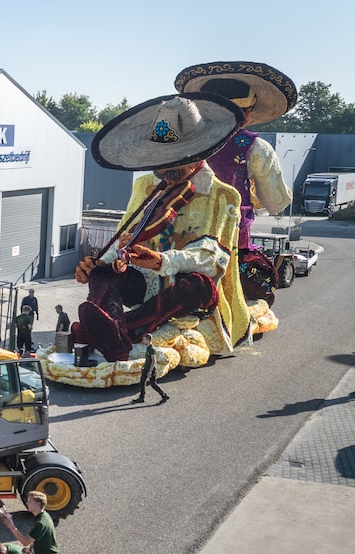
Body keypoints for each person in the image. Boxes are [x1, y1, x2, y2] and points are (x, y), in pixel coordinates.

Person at [73, 93, 253, 362]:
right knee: (101, 276)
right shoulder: (144, 186)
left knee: (197, 285)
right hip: (144, 285)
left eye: (176, 158)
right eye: (160, 159)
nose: (165, 168)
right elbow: (125, 235)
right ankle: (117, 329)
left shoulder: (223, 195)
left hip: (182, 288)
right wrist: (99, 263)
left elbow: (212, 258)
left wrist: (162, 261)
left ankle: (120, 330)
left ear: (199, 152)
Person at [174, 62, 297, 252]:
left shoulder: (180, 141)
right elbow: (276, 201)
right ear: (247, 114)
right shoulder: (256, 148)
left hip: (179, 236)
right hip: (229, 239)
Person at [132, 334, 168, 404]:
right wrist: (143, 366)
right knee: (142, 382)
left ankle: (164, 395)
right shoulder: (148, 348)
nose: (143, 341)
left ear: (148, 340)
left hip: (151, 369)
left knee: (153, 384)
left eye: (144, 339)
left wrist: (150, 371)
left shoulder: (152, 349)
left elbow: (153, 361)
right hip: (146, 368)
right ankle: (141, 397)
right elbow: (147, 359)